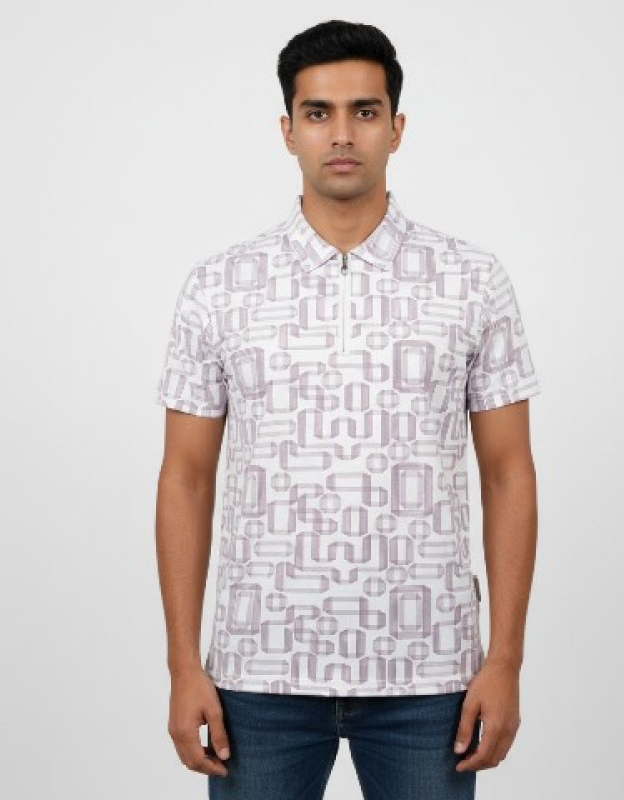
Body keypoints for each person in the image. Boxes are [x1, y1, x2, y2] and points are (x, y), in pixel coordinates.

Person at [154, 19, 541, 800]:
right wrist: (183, 665)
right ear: (287, 130)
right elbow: (185, 478)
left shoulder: (470, 280)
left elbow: (509, 473)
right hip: (257, 672)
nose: (341, 134)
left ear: (396, 128)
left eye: (364, 111)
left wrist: (504, 661)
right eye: (318, 113)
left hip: (430, 675)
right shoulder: (220, 286)